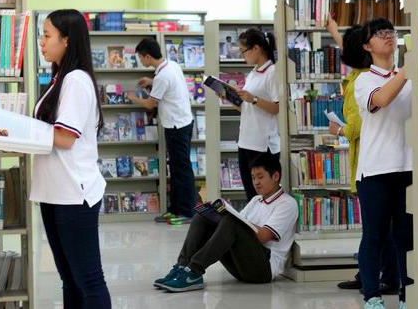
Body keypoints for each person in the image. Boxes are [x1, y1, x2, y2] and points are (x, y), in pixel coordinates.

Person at [30, 9, 111, 309]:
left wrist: (23, 133)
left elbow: (64, 138)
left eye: (47, 35)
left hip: (73, 195)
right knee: (70, 279)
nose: (42, 42)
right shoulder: (59, 78)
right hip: (55, 192)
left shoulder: (75, 80)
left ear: (67, 40)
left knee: (88, 279)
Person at [325, 17, 399, 295]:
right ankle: (377, 274)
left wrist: (339, 128)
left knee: (377, 228)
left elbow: (356, 126)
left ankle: (381, 276)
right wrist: (332, 29)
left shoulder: (362, 80)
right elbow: (350, 45)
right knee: (381, 226)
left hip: (370, 162)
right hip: (374, 162)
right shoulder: (363, 73)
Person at [154, 153, 297, 292]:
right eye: (253, 178)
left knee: (231, 222)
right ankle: (182, 267)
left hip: (263, 269)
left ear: (275, 176)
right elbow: (235, 230)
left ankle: (194, 271)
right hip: (242, 265)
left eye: (260, 177)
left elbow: (263, 236)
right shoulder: (256, 200)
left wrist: (232, 218)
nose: (256, 182)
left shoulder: (287, 204)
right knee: (203, 217)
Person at [352, 18, 412, 309]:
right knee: (374, 235)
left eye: (391, 32)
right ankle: (372, 297)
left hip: (407, 167)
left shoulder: (410, 77)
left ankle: (406, 295)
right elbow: (383, 99)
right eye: (379, 34)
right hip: (375, 170)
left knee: (405, 237)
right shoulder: (365, 80)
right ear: (367, 45)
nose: (388, 37)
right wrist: (407, 70)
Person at [127, 37, 196, 224]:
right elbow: (166, 85)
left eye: (141, 58)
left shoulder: (163, 76)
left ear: (148, 56)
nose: (141, 61)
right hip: (181, 123)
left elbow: (150, 104)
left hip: (177, 126)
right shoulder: (171, 66)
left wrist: (133, 98)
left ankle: (188, 211)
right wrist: (152, 81)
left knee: (181, 170)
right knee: (176, 168)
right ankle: (175, 209)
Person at [235, 28, 281, 201]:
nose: (242, 56)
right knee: (251, 195)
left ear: (256, 49)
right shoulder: (254, 72)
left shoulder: (273, 72)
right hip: (246, 140)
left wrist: (253, 99)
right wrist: (232, 98)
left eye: (243, 51)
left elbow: (278, 108)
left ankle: (263, 227)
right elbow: (249, 109)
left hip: (262, 144)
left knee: (263, 195)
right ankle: (253, 228)